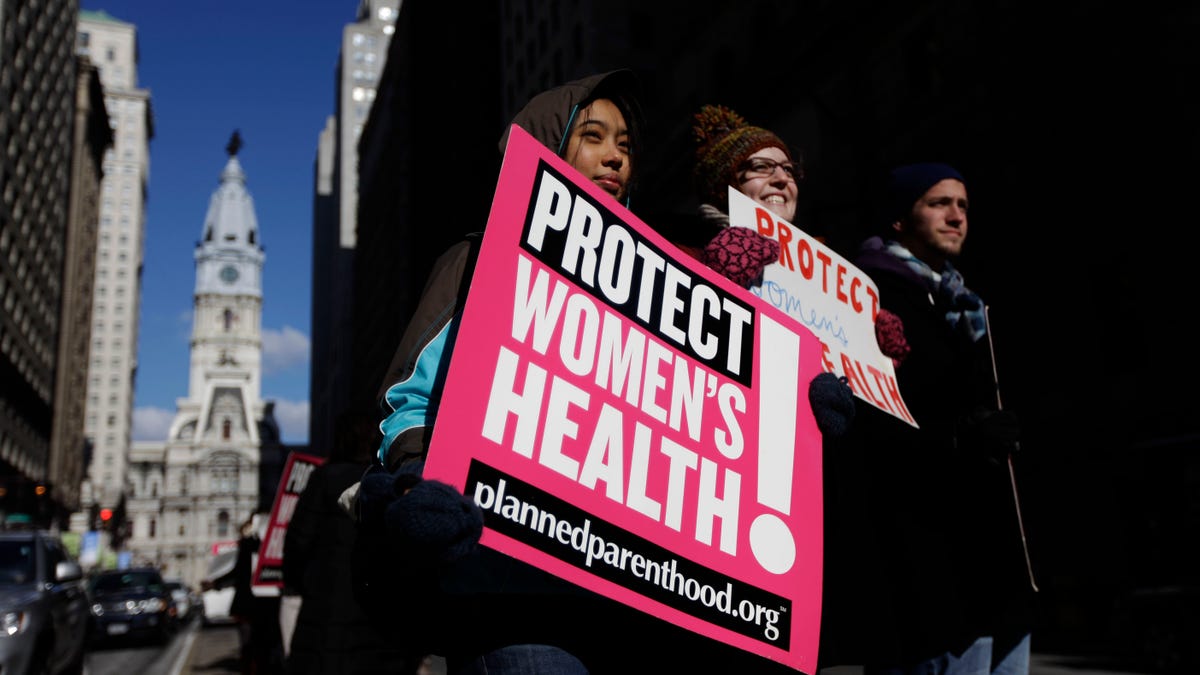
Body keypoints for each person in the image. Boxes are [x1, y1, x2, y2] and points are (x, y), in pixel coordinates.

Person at [838, 162, 1035, 675]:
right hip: (931, 571)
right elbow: (872, 433)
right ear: (900, 219)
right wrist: (959, 437)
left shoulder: (967, 302)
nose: (956, 216)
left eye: (964, 205)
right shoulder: (866, 296)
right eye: (938, 203)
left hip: (999, 565)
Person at [283, 410, 417, 675]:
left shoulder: (325, 477)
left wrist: (304, 583)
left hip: (327, 613)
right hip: (380, 618)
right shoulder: (391, 481)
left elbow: (298, 542)